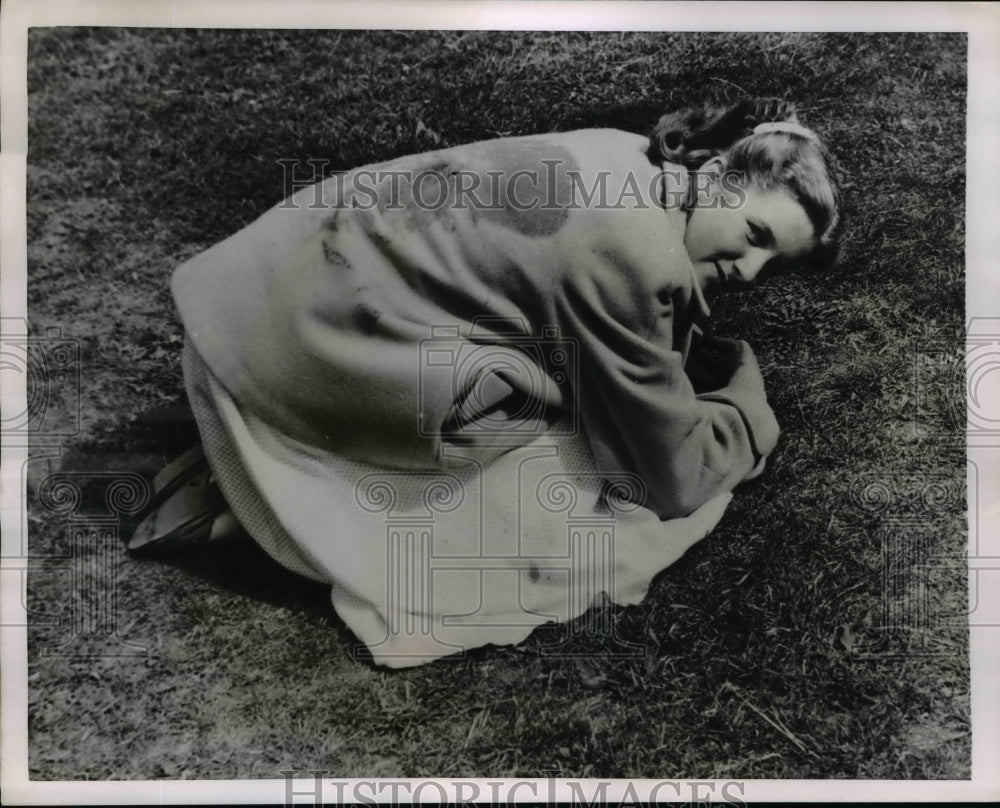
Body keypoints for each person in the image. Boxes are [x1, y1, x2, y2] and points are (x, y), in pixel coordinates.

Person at [127, 99, 840, 666]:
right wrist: (748, 404)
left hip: (254, 303)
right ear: (715, 175)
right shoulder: (635, 253)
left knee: (548, 381)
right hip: (297, 350)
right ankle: (263, 502)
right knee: (582, 492)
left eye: (770, 266)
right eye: (755, 236)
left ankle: (251, 479)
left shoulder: (628, 156)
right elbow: (672, 476)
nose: (748, 273)